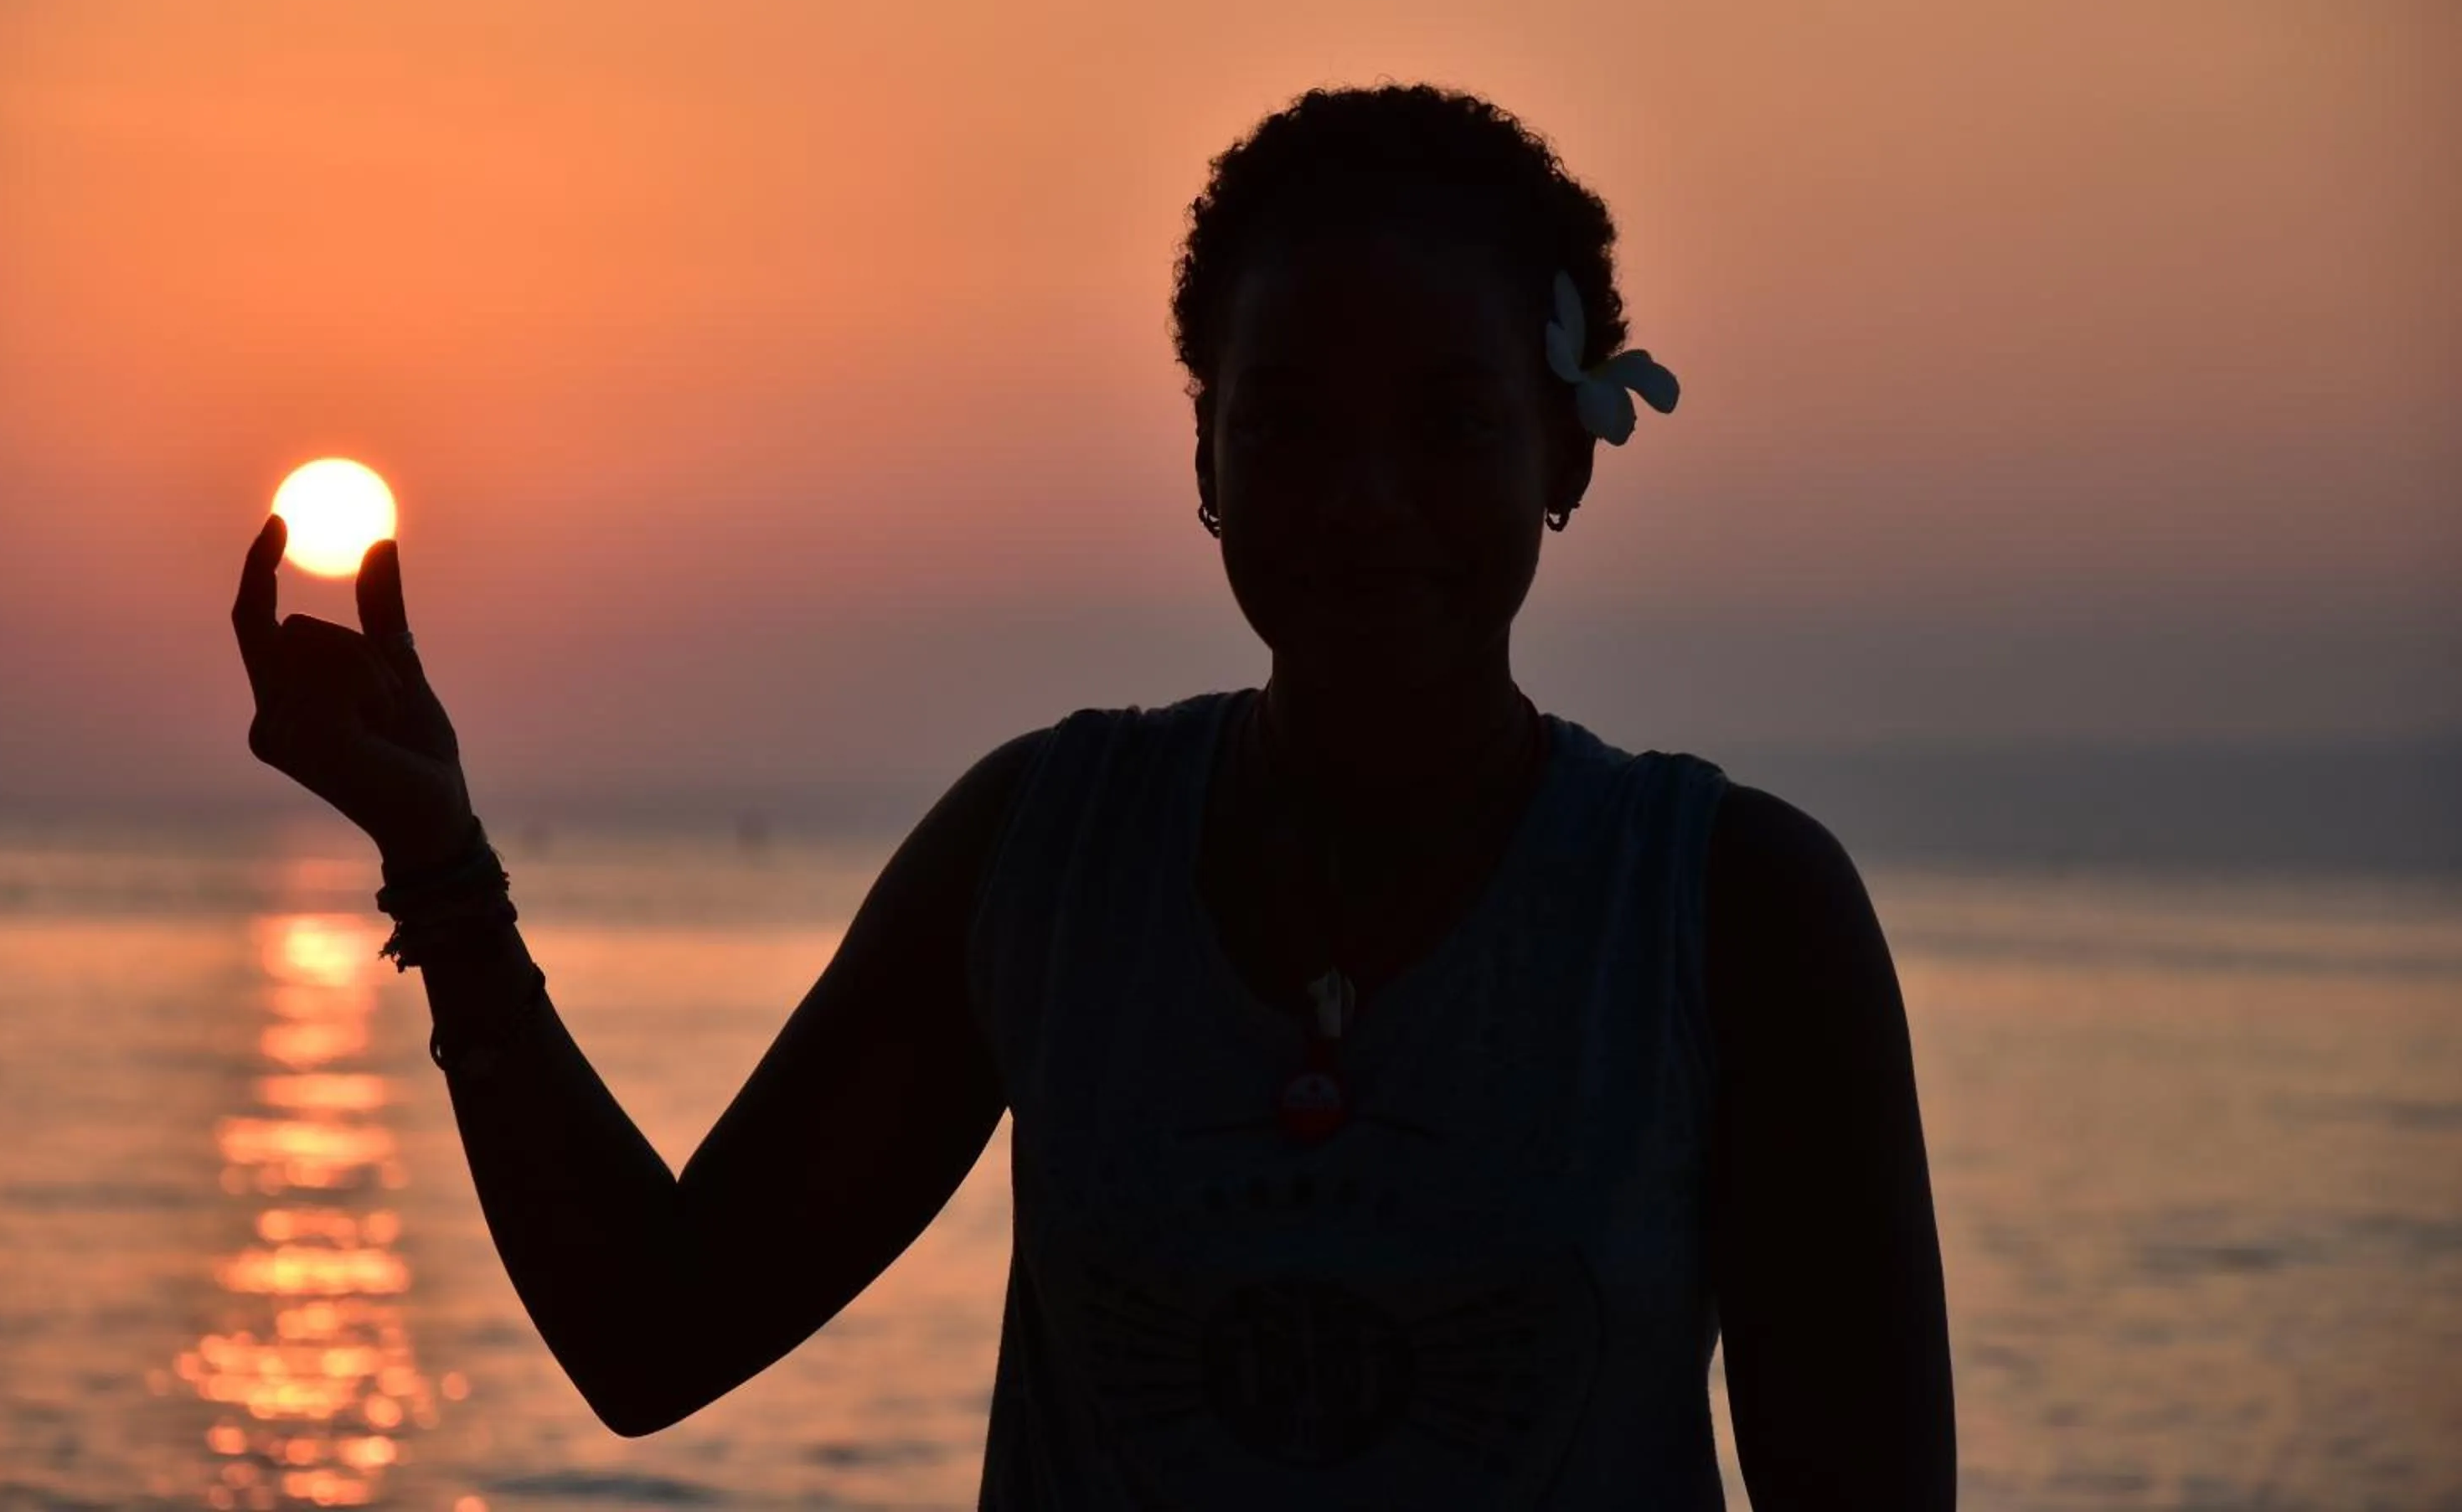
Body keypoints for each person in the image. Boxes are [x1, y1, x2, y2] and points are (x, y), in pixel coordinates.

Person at [230, 81, 1954, 1507]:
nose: (1366, 500)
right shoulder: (1051, 855)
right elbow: (655, 1330)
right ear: (1202, 454)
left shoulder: (1728, 914)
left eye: (1445, 426)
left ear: (1564, 451)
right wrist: (442, 863)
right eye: (1288, 427)